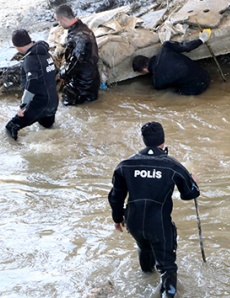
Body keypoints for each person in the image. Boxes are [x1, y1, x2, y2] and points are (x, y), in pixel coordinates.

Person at [107, 122, 200, 298]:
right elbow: (190, 194)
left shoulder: (125, 165)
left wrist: (117, 218)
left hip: (133, 222)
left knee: (144, 247)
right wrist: (193, 181)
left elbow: (115, 196)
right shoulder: (172, 165)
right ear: (163, 142)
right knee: (167, 268)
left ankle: (146, 281)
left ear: (144, 141)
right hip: (159, 224)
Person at [5, 29, 58, 141]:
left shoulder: (30, 59)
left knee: (10, 128)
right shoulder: (45, 53)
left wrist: (23, 106)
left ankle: (16, 153)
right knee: (48, 131)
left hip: (39, 103)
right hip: (53, 102)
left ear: (17, 47)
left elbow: (32, 82)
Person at [132, 29, 212, 95]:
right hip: (206, 77)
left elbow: (159, 85)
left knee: (172, 93)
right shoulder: (166, 47)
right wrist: (201, 40)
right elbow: (186, 47)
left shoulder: (157, 82)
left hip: (195, 91)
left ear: (144, 70)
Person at [54, 4, 100, 106]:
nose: (59, 23)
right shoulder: (83, 28)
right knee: (91, 106)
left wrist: (64, 74)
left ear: (64, 19)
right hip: (91, 78)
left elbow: (76, 61)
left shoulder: (78, 37)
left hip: (82, 83)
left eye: (58, 21)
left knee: (68, 107)